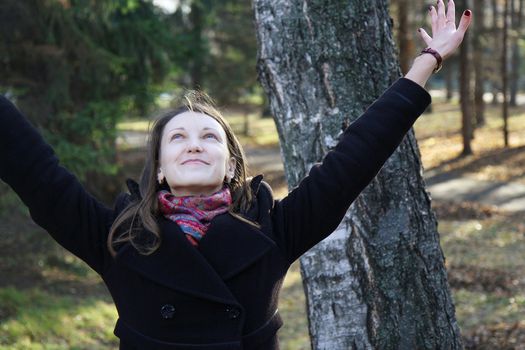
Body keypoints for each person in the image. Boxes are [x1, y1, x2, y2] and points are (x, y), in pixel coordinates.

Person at [0, 1, 471, 349]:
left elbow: (352, 160)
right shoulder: (118, 239)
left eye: (209, 138)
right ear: (160, 169)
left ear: (230, 165)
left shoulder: (275, 230)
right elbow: (37, 173)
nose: (194, 145)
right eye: (178, 138)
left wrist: (425, 64)